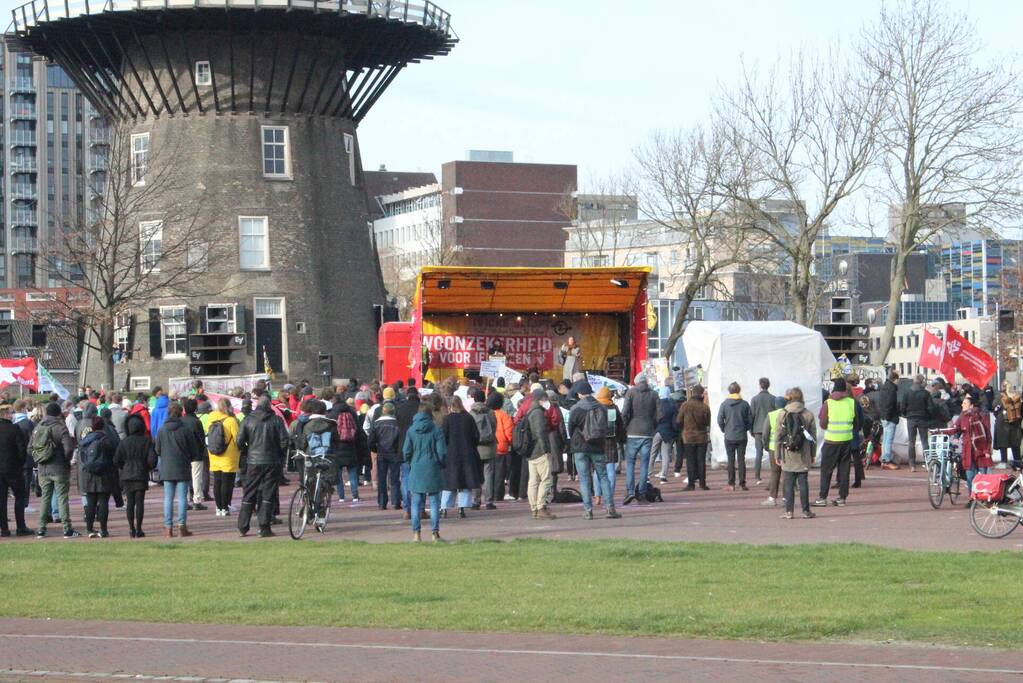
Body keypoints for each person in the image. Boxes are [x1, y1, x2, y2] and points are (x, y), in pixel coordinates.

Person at [236, 396, 289, 538]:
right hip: (271, 461)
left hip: (254, 461)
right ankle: (264, 526)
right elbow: (284, 441)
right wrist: (280, 455)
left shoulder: (248, 419)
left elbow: (239, 441)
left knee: (249, 492)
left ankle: (243, 526)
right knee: (268, 493)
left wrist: (247, 451)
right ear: (269, 406)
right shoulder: (276, 420)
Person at [568, 380, 621, 520]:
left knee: (584, 478)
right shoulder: (602, 407)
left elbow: (570, 429)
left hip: (580, 447)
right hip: (598, 446)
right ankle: (610, 508)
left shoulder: (576, 409)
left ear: (579, 394)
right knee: (603, 476)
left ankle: (588, 510)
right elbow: (609, 426)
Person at [156, 403, 202, 538]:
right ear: (181, 413)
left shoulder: (162, 429)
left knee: (168, 498)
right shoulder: (185, 430)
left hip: (167, 467)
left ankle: (168, 527)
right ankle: (182, 526)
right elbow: (194, 450)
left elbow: (158, 449)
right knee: (182, 498)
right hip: (182, 466)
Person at [403, 402, 447, 542]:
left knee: (416, 502)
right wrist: (440, 463)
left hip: (416, 466)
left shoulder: (411, 430)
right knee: (434, 502)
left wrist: (411, 462)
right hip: (433, 466)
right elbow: (442, 452)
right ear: (430, 414)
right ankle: (435, 532)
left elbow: (406, 451)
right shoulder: (436, 429)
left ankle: (416, 533)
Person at [34, 401, 79, 538]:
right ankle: (67, 528)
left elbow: (30, 448)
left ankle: (41, 529)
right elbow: (69, 448)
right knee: (62, 498)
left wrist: (40, 458)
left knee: (45, 498)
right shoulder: (61, 427)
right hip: (59, 468)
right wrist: (66, 460)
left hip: (43, 468)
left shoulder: (38, 427)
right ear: (59, 413)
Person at [814, 377, 860, 507]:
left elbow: (823, 423)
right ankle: (842, 497)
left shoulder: (828, 403)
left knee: (826, 470)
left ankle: (823, 497)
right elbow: (857, 423)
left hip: (831, 440)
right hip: (846, 440)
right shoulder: (851, 402)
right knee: (844, 469)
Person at [773, 387, 817, 520]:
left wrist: (777, 455)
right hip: (803, 453)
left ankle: (789, 512)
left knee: (788, 483)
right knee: (803, 482)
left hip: (787, 453)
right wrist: (813, 454)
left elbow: (778, 436)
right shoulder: (808, 414)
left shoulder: (782, 414)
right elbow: (813, 436)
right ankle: (805, 510)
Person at [114, 414, 156, 537]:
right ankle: (138, 529)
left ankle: (131, 528)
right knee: (140, 503)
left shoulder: (124, 442)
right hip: (141, 474)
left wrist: (124, 467)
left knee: (130, 503)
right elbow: (152, 460)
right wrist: (147, 468)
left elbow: (116, 460)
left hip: (127, 475)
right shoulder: (146, 441)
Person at [441, 396, 481, 519]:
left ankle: (444, 508)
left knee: (449, 483)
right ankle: (461, 508)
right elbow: (476, 436)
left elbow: (443, 438)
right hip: (467, 454)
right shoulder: (468, 418)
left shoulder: (447, 419)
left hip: (451, 454)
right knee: (465, 482)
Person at [78, 416, 116, 538]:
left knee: (90, 503)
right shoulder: (106, 440)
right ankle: (103, 530)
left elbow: (82, 457)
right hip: (104, 473)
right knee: (103, 502)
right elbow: (113, 456)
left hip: (88, 474)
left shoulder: (85, 441)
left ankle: (89, 529)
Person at [621, 374, 657, 503]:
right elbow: (660, 414)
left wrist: (624, 427)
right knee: (644, 464)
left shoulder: (631, 393)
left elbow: (625, 412)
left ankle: (630, 491)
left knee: (630, 463)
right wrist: (653, 425)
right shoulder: (654, 394)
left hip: (632, 431)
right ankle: (641, 493)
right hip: (647, 432)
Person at [207, 398, 241, 517]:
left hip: (214, 453)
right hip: (229, 455)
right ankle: (225, 507)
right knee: (227, 482)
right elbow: (237, 438)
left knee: (217, 482)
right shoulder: (231, 420)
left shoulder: (211, 417)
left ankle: (218, 507)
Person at [525, 388, 556, 519]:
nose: (547, 402)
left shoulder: (530, 411)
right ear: (541, 399)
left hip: (531, 451)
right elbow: (540, 433)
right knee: (546, 480)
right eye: (545, 399)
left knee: (533, 481)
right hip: (539, 451)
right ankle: (540, 506)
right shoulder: (538, 413)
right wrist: (546, 450)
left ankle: (534, 508)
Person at [0, 403, 30, 537]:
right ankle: (20, 526)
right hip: (13, 468)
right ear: (5, 414)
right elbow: (21, 450)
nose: (12, 415)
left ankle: (4, 529)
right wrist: (20, 463)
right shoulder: (14, 428)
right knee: (19, 497)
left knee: (1, 499)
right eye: (10, 413)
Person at [717, 382, 753, 491]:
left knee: (731, 460)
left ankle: (731, 483)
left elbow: (719, 420)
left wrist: (724, 429)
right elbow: (750, 420)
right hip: (741, 435)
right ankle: (742, 483)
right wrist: (745, 428)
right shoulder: (745, 404)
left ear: (729, 391)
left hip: (729, 435)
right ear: (739, 390)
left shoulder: (724, 404)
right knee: (741, 460)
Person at [954, 394, 993, 491]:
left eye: (965, 403)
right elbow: (956, 428)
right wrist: (952, 435)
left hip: (980, 450)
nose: (962, 405)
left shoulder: (981, 416)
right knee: (970, 476)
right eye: (962, 403)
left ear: (971, 406)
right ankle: (972, 498)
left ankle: (983, 497)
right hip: (968, 450)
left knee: (983, 476)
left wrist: (987, 450)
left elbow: (987, 434)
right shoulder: (962, 415)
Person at [368, 402, 402, 510]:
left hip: (381, 452)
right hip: (394, 452)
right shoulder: (397, 423)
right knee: (395, 478)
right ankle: (396, 501)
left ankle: (382, 502)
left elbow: (370, 441)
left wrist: (375, 449)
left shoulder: (376, 423)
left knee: (381, 478)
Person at [469, 389, 499, 510]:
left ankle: (476, 501)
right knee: (488, 475)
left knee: (476, 475)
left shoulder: (471, 413)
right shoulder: (491, 412)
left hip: (475, 447)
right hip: (489, 447)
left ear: (474, 399)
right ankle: (489, 501)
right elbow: (494, 427)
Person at [677, 385, 711, 491]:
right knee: (701, 460)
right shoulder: (704, 407)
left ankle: (691, 484)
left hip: (688, 436)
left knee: (690, 460)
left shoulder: (685, 405)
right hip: (701, 436)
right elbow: (708, 422)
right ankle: (702, 483)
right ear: (701, 394)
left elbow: (678, 420)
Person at [395, 387, 421, 519]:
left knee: (405, 479)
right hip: (419, 448)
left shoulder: (399, 409)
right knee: (420, 480)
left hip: (403, 447)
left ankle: (407, 509)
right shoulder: (421, 409)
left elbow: (396, 429)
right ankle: (420, 509)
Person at [899, 375, 933, 473]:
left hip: (911, 418)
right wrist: (928, 416)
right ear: (922, 382)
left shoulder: (907, 393)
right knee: (925, 442)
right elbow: (930, 408)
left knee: (911, 442)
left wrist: (906, 415)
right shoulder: (926, 393)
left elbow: (902, 407)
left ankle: (912, 465)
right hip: (922, 418)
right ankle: (927, 463)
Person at [181, 398, 209, 511]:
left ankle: (186, 499)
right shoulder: (196, 422)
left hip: (183, 453)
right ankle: (197, 501)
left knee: (185, 478)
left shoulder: (181, 421)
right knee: (196, 478)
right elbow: (201, 438)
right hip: (196, 453)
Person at [760, 396, 787, 507]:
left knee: (775, 473)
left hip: (773, 447)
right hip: (786, 447)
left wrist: (765, 445)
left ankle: (772, 498)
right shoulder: (788, 414)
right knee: (786, 473)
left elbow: (765, 433)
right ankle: (786, 498)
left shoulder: (771, 415)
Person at [488, 390, 513, 507]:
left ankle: (489, 494)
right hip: (501, 446)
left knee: (488, 473)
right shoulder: (504, 416)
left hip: (488, 446)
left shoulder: (487, 414)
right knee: (499, 473)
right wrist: (509, 443)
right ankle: (498, 494)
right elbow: (509, 433)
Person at [749, 377, 776, 486]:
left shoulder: (754, 399)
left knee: (758, 453)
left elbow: (752, 416)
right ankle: (773, 474)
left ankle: (757, 476)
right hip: (770, 429)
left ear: (760, 385)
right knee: (771, 453)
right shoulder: (773, 398)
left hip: (758, 430)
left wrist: (751, 429)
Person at [650, 386, 678, 484]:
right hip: (668, 432)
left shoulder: (656, 404)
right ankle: (663, 475)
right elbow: (675, 422)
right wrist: (675, 432)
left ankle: (648, 474)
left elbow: (653, 419)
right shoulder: (672, 405)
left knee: (653, 453)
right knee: (666, 454)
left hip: (657, 431)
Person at [877, 370, 901, 470]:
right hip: (890, 418)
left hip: (884, 416)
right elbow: (890, 404)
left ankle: (884, 458)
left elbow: (882, 403)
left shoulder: (884, 387)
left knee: (885, 439)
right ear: (895, 379)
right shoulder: (891, 389)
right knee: (888, 440)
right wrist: (888, 416)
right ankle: (886, 460)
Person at [997, 383, 1022, 469]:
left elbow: (994, 408)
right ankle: (1017, 461)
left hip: (1003, 424)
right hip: (1016, 424)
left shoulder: (1000, 398)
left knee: (1003, 443)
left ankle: (1004, 461)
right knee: (1015, 444)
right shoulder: (1017, 397)